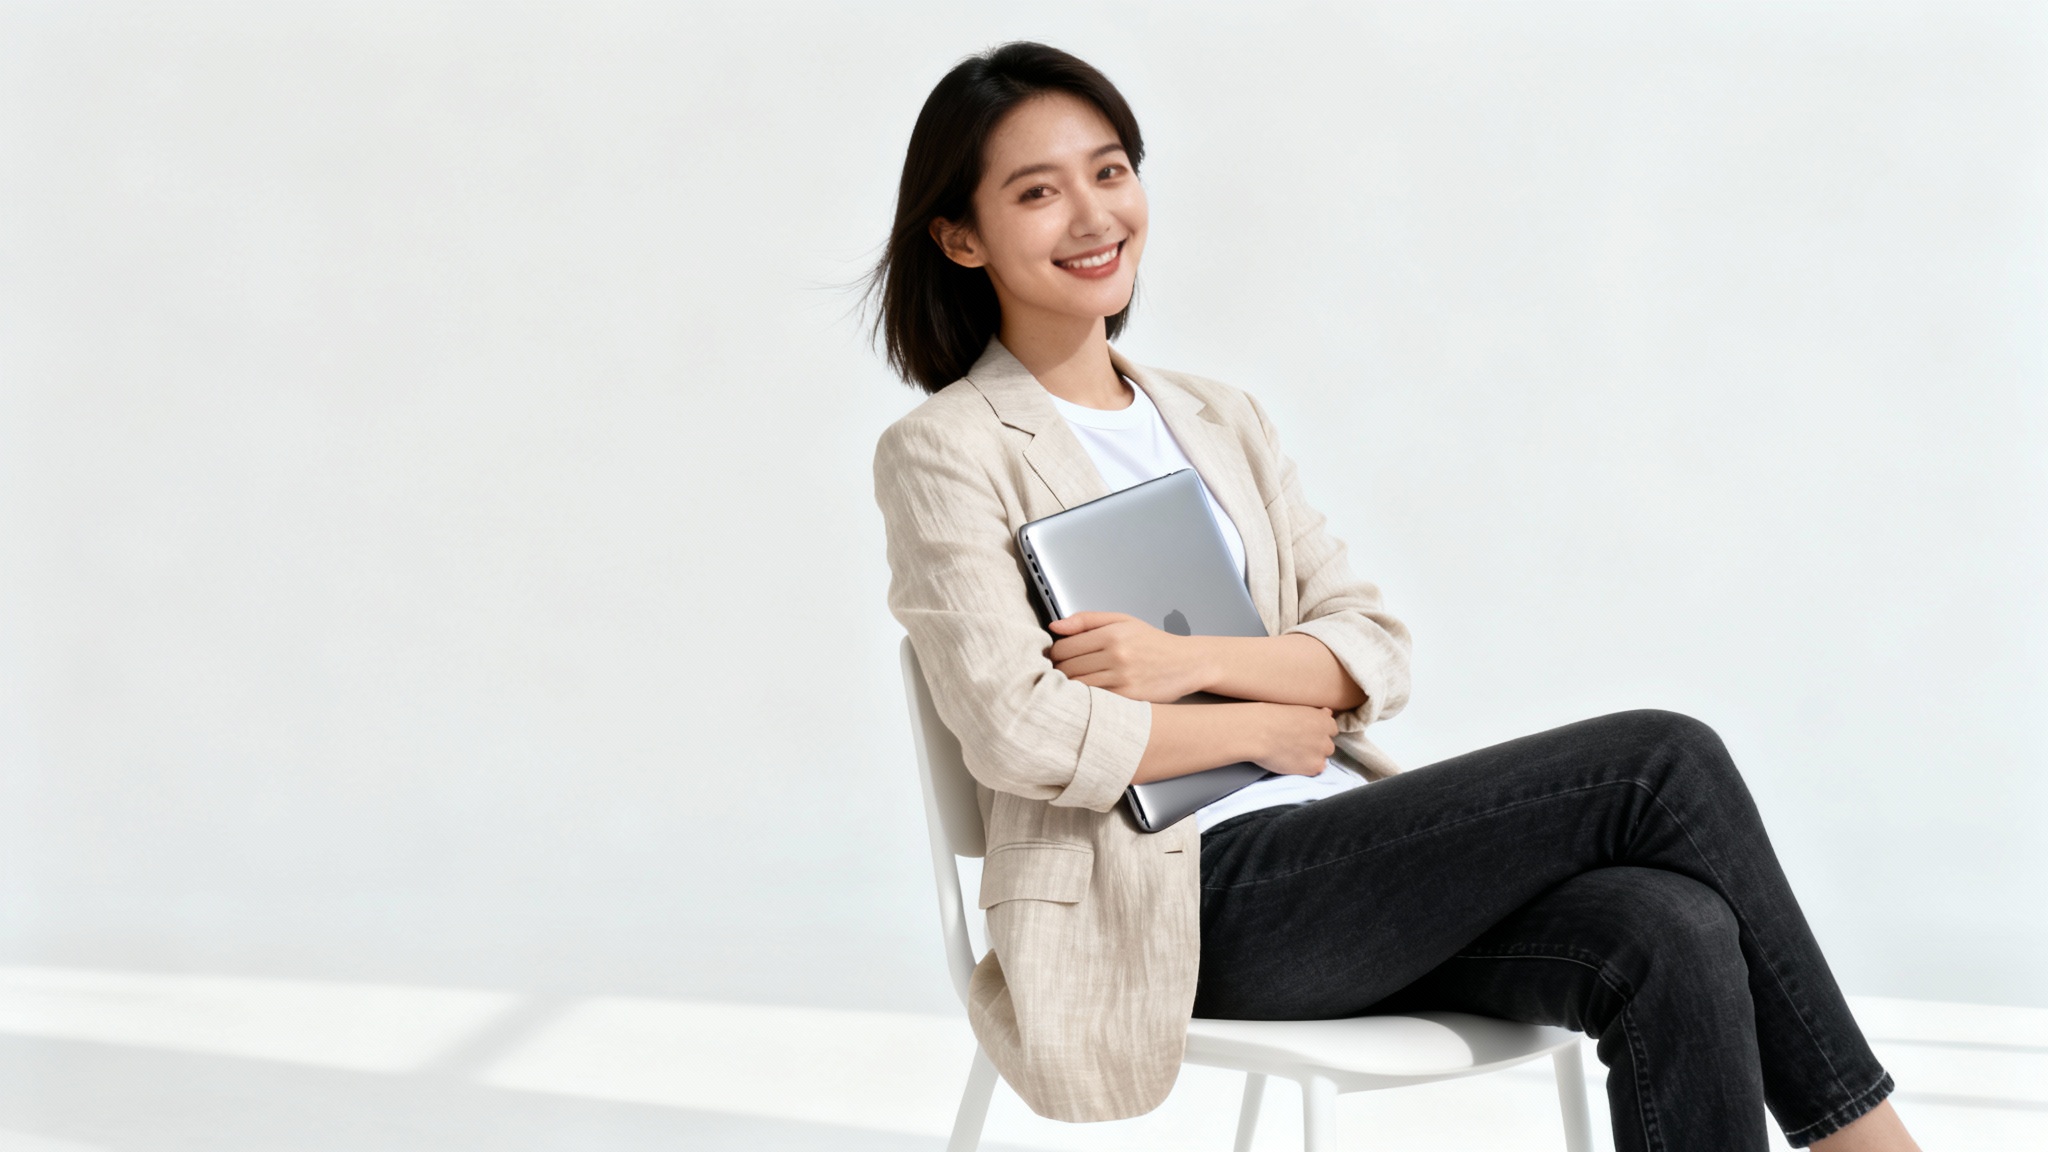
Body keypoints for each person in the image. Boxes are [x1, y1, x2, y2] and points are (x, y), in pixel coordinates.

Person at [869, 42, 1920, 1152]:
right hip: (1181, 901)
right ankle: (1871, 1143)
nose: (1091, 216)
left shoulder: (1217, 417)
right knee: (1658, 758)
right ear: (959, 235)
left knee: (1669, 924)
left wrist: (1191, 670)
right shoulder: (945, 452)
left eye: (1111, 170)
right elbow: (1018, 731)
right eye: (1038, 192)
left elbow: (1370, 648)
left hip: (1337, 857)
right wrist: (1262, 724)